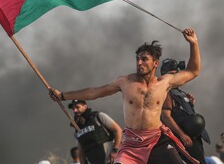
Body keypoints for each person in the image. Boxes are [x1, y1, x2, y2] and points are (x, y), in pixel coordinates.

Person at [50, 28, 201, 164]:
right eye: (137, 59)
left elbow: (193, 71)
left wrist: (193, 43)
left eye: (144, 59)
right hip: (131, 145)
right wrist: (63, 95)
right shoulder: (125, 82)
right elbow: (94, 92)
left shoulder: (164, 82)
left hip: (157, 141)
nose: (139, 63)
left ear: (155, 63)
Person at [160, 58, 210, 164]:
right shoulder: (166, 92)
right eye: (171, 74)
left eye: (176, 73)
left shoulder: (179, 92)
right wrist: (181, 134)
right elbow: (165, 116)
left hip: (193, 137)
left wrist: (189, 103)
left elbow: (182, 113)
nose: (175, 76)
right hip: (183, 139)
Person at [68, 100, 122, 164]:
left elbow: (118, 130)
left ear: (85, 106)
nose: (75, 110)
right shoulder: (77, 129)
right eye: (73, 108)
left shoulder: (98, 116)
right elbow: (81, 150)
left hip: (110, 161)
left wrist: (115, 151)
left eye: (77, 107)